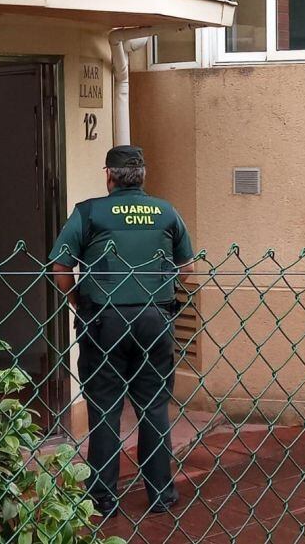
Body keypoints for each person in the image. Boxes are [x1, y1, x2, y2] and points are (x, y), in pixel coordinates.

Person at [50, 145, 195, 519]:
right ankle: (161, 495)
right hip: (154, 319)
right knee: (153, 407)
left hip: (103, 321)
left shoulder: (90, 211)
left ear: (109, 175)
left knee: (104, 408)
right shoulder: (166, 211)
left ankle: (101, 498)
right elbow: (187, 270)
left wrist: (77, 300)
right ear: (142, 175)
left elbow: (60, 266)